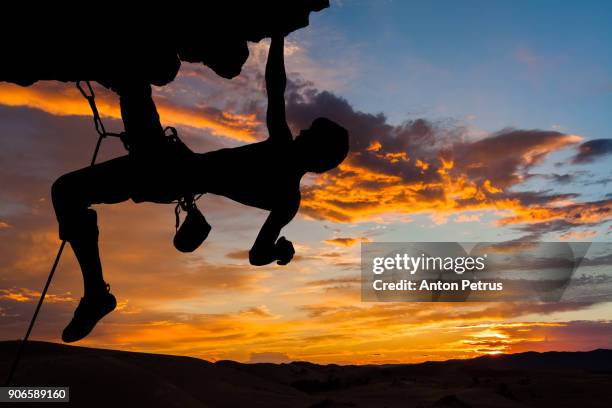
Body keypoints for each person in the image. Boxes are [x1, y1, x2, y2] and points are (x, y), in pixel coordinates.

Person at [52, 34, 349, 343]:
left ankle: (97, 295)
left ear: (316, 150)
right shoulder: (288, 199)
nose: (301, 130)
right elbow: (257, 255)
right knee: (126, 92)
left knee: (70, 186)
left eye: (309, 132)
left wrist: (278, 36)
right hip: (170, 171)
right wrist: (280, 251)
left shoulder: (280, 150)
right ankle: (96, 294)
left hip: (167, 171)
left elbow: (276, 86)